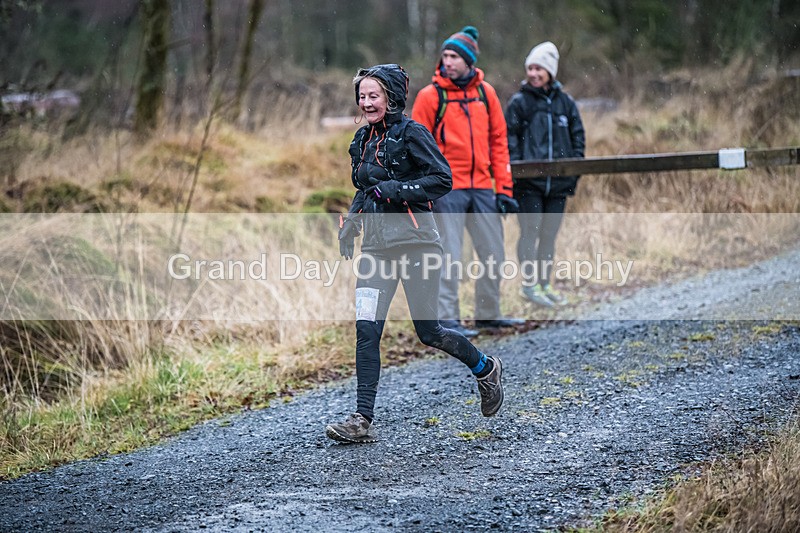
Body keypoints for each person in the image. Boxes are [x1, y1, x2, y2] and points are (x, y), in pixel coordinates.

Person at [326, 64, 504, 444]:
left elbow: (442, 179)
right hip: (376, 249)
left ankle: (485, 368)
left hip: (417, 244)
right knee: (366, 329)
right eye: (362, 96)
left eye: (373, 95)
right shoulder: (361, 140)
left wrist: (395, 189)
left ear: (391, 98)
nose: (366, 102)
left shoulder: (413, 134)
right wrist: (352, 223)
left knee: (429, 332)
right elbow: (365, 188)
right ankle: (361, 419)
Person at [411, 26, 523, 338]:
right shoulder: (430, 96)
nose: (447, 61)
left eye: (454, 56)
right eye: (445, 55)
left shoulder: (486, 94)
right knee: (449, 255)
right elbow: (417, 147)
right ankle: (448, 321)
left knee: (493, 253)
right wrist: (426, 190)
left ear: (469, 60)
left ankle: (488, 315)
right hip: (448, 189)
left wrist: (504, 189)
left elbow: (499, 142)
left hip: (483, 186)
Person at [505, 41, 585, 307]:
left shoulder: (566, 103)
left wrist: (573, 173)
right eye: (530, 68)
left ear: (550, 71)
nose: (533, 74)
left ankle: (544, 283)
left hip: (559, 184)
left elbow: (578, 138)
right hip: (529, 184)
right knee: (530, 232)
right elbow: (509, 139)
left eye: (539, 68)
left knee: (549, 235)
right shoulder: (519, 103)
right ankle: (529, 285)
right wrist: (518, 171)